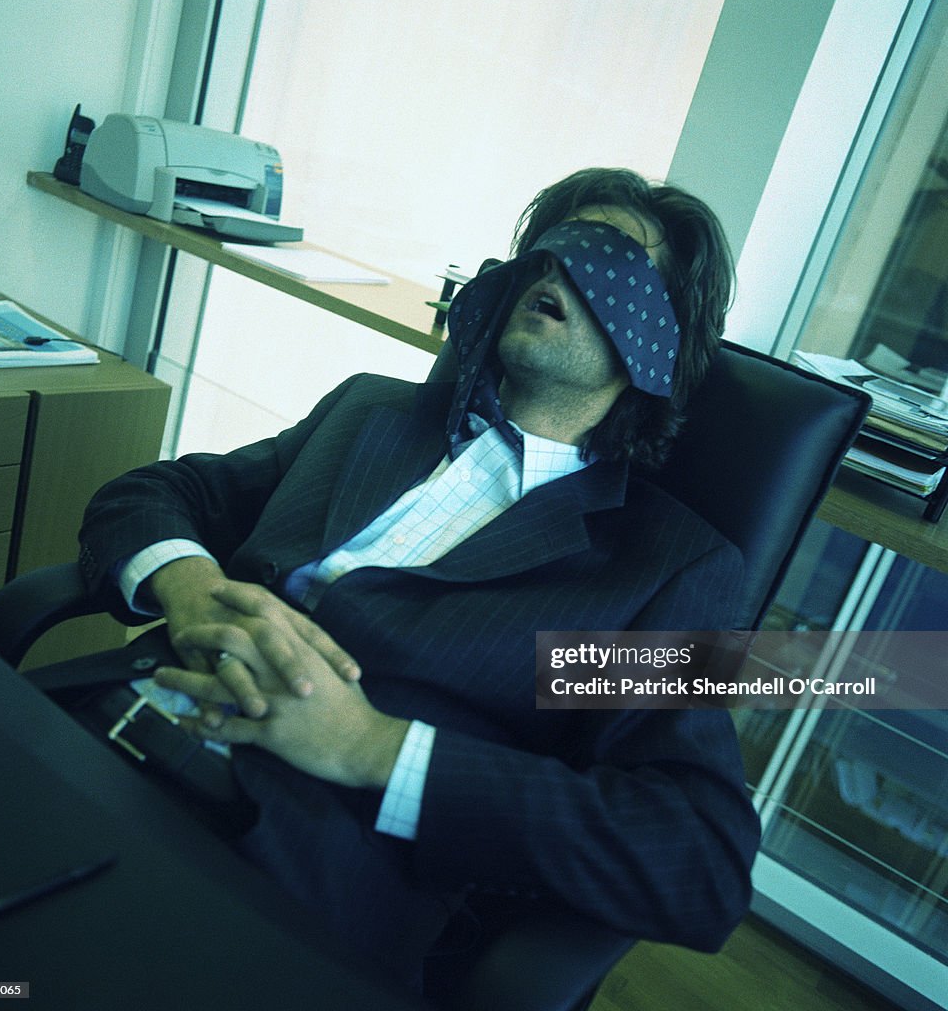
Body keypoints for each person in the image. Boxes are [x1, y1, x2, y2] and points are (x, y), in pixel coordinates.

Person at [78, 167, 761, 985]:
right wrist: (188, 587)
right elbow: (155, 493)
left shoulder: (653, 572)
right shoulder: (370, 415)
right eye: (546, 254)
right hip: (107, 729)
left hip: (280, 866)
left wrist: (372, 747)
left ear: (662, 337)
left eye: (606, 262)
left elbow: (695, 856)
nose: (555, 272)